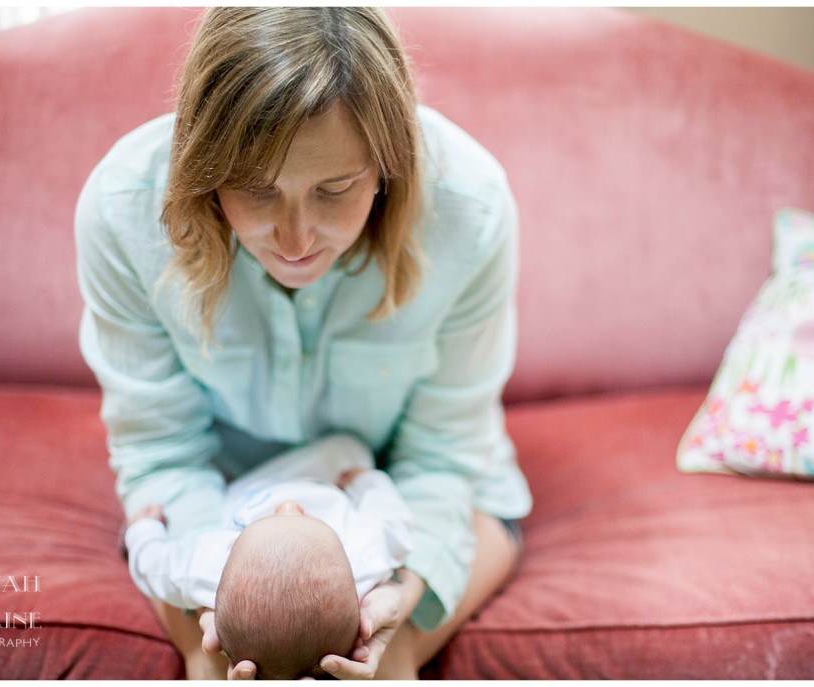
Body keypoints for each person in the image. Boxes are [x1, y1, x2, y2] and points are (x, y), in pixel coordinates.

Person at [76, 6, 532, 679]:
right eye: (257, 190)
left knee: (388, 666)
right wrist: (222, 598)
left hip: (416, 493)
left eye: (334, 190)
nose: (294, 240)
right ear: (206, 165)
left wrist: (397, 598)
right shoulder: (123, 210)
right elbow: (162, 449)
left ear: (387, 165)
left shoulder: (472, 207)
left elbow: (442, 454)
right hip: (221, 503)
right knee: (216, 669)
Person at [124, 435, 413, 680]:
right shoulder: (363, 560)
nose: (288, 505)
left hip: (245, 489)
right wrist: (367, 482)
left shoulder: (210, 569)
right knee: (349, 449)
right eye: (306, 519)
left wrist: (143, 531)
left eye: (267, 520)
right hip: (327, 477)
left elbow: (156, 567)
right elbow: (394, 520)